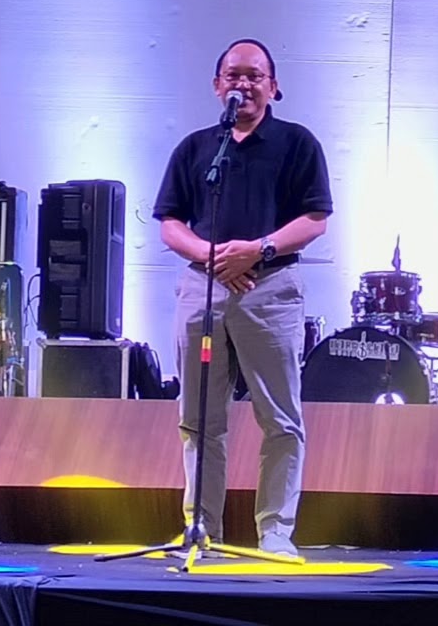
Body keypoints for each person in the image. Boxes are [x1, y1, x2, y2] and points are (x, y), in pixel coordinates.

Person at [152, 38, 332, 558]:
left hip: (269, 290)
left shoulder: (297, 143)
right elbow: (169, 222)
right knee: (199, 419)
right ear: (217, 86)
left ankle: (275, 532)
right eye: (233, 75)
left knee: (280, 420)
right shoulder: (196, 149)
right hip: (203, 289)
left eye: (255, 75)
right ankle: (201, 528)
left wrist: (257, 249)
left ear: (274, 86)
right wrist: (212, 257)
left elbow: (315, 219)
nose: (244, 84)